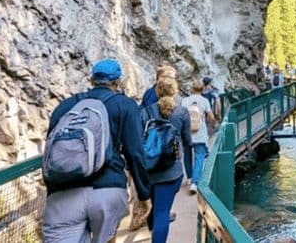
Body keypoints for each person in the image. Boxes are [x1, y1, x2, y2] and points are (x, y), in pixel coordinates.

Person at [43, 59, 150, 243]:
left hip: (64, 192)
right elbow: (135, 153)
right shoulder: (125, 105)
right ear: (118, 82)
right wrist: (143, 193)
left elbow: (51, 150)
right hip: (108, 189)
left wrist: (51, 188)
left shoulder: (66, 106)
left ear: (91, 80)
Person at [144, 76, 192, 243]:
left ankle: (153, 231)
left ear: (157, 91)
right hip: (172, 171)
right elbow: (187, 142)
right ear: (175, 91)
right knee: (163, 213)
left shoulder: (146, 111)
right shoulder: (181, 112)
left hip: (149, 169)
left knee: (156, 210)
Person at [180, 80, 215, 194]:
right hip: (200, 133)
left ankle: (189, 177)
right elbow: (211, 116)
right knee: (199, 157)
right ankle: (195, 183)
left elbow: (180, 115)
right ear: (202, 89)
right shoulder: (204, 101)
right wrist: (212, 125)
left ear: (191, 89)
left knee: (187, 155)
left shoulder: (185, 101)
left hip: (186, 133)